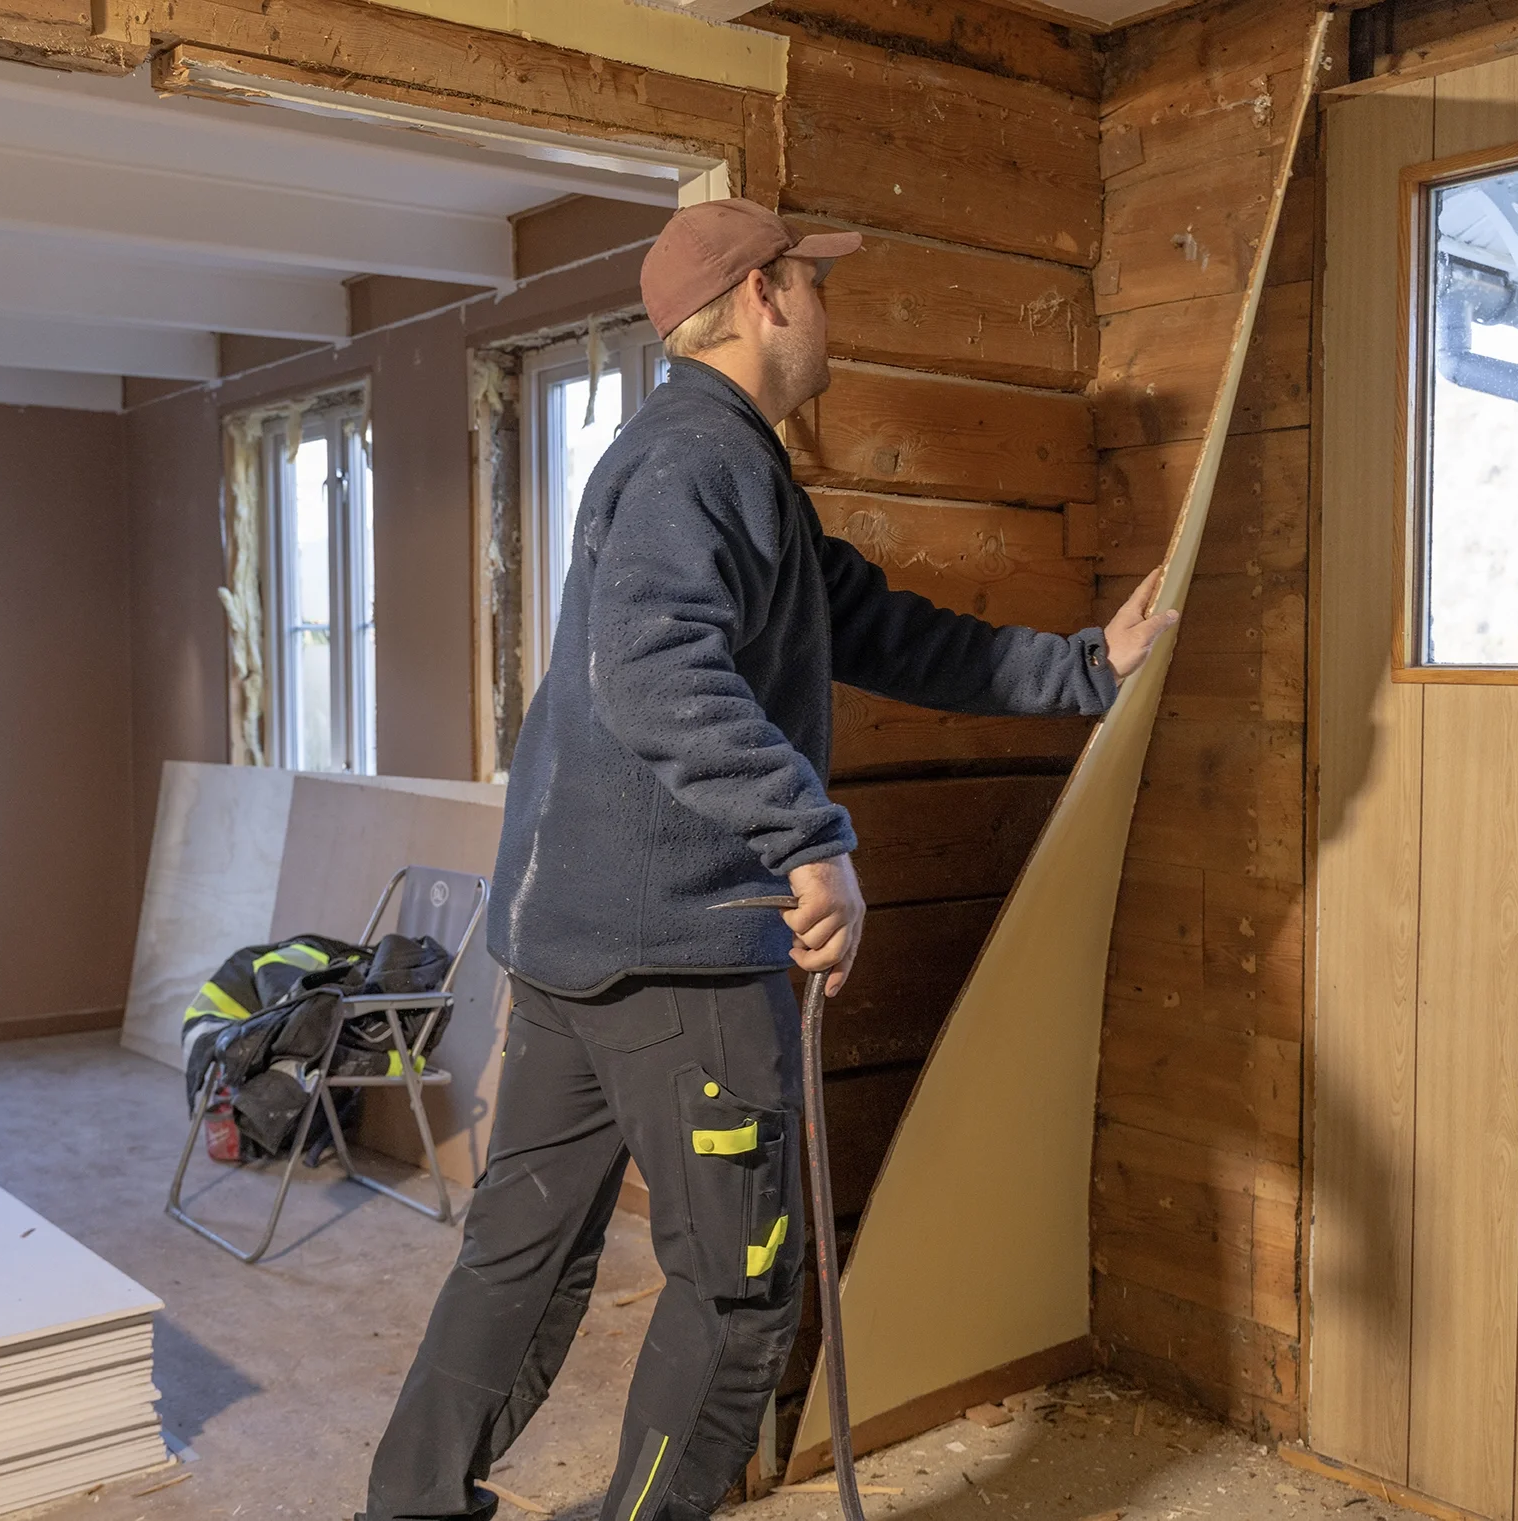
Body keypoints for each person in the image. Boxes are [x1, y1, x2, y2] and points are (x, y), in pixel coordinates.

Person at [361, 199, 1177, 1521]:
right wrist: (811, 840)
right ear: (762, 299)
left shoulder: (716, 466)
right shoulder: (699, 460)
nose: (826, 308)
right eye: (817, 282)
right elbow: (654, 670)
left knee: (520, 1257)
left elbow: (886, 631)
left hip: (579, 948)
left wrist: (1091, 665)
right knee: (741, 1296)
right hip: (677, 954)